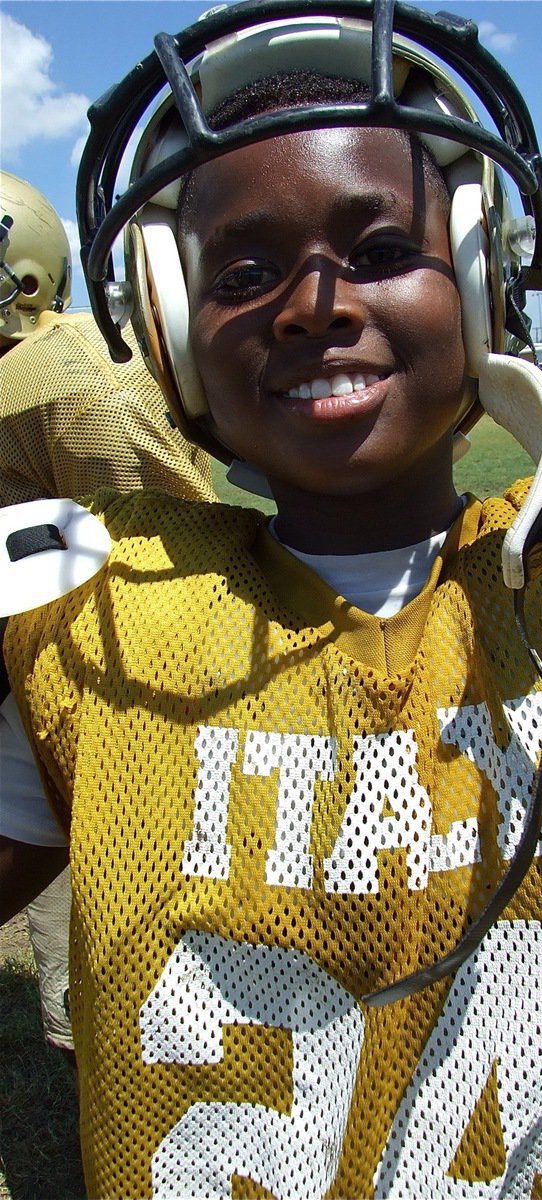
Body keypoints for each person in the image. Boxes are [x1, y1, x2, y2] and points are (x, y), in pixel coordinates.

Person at [0, 3, 542, 1197]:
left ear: (479, 280)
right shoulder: (98, 626)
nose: (313, 301)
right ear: (165, 328)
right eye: (246, 273)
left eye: (377, 251)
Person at [0, 170, 217, 1061]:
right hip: (44, 684)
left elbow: (169, 571)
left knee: (137, 958)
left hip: (116, 696)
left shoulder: (67, 376)